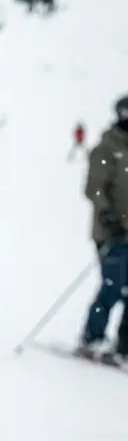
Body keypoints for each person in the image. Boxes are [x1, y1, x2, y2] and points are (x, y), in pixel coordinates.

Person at [76, 96, 128, 365]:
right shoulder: (107, 148)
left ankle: (124, 345)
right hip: (112, 234)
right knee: (113, 287)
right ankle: (92, 337)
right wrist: (107, 214)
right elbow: (93, 187)